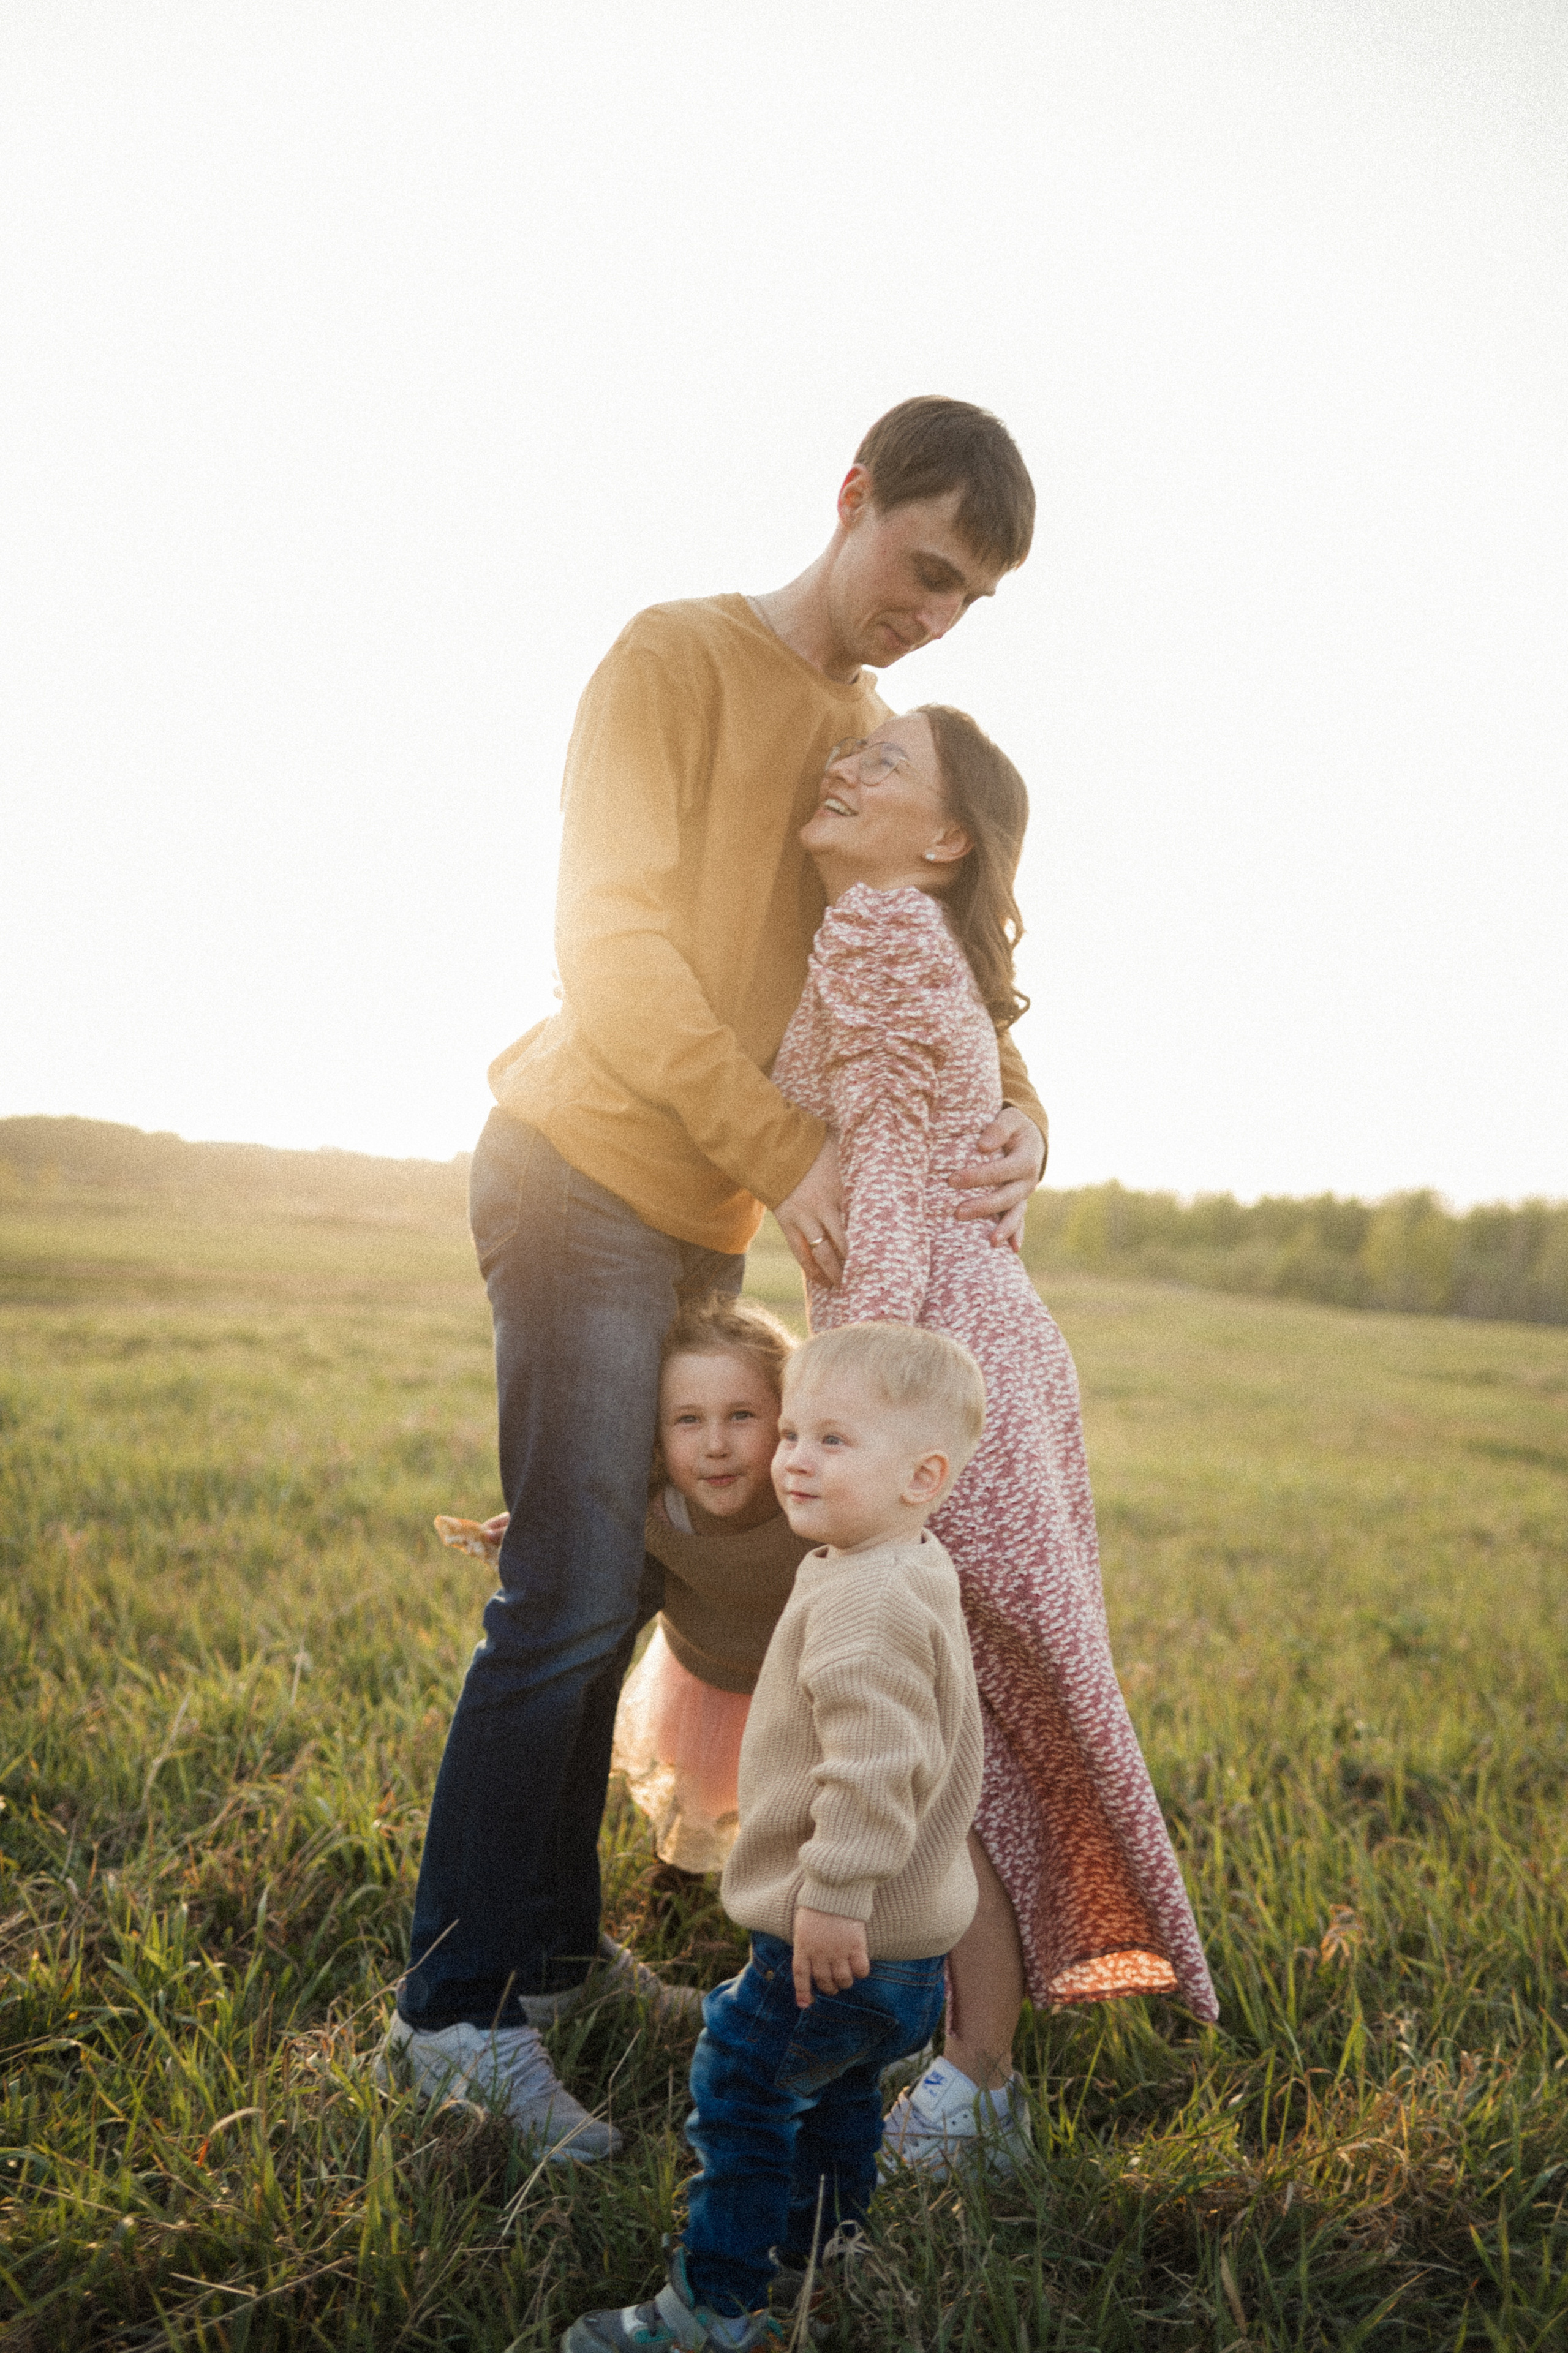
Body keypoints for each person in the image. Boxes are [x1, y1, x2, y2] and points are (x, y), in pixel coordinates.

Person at [386, 398, 1049, 2155]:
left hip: (705, 1219)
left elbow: (946, 944)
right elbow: (608, 949)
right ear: (851, 501)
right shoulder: (672, 659)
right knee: (570, 1591)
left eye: (968, 599)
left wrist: (1026, 1118)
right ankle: (452, 2011)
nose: (933, 615)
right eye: (924, 567)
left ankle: (553, 1948)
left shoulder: (876, 740)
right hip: (585, 1169)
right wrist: (791, 1158)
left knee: (627, 1587)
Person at [771, 704, 1219, 2177]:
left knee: (959, 1721)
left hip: (938, 1366)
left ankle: (972, 2080)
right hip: (989, 1359)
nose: (846, 768)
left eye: (884, 764)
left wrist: (849, 1404)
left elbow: (890, 1175)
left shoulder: (879, 932)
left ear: (946, 835)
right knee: (999, 1708)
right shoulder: (911, 933)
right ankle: (971, 2052)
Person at [562, 1321, 987, 2353]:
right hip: (914, 1956)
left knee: (742, 2089)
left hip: (839, 1929)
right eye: (791, 1430)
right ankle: (823, 2242)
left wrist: (833, 1894)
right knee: (841, 2094)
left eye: (831, 1440)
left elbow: (875, 1769)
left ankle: (715, 2306)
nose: (793, 1457)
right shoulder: (905, 1560)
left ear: (922, 1473)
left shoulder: (863, 1602)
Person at [440, 1295, 809, 1877]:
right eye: (689, 1420)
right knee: (700, 1801)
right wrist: (537, 1531)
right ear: (657, 1437)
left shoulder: (813, 1510)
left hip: (798, 1693)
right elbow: (588, 1532)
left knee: (799, 1824)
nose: (716, 1444)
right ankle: (677, 1881)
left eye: (742, 1415)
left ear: (788, 1417)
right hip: (707, 1683)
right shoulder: (655, 1513)